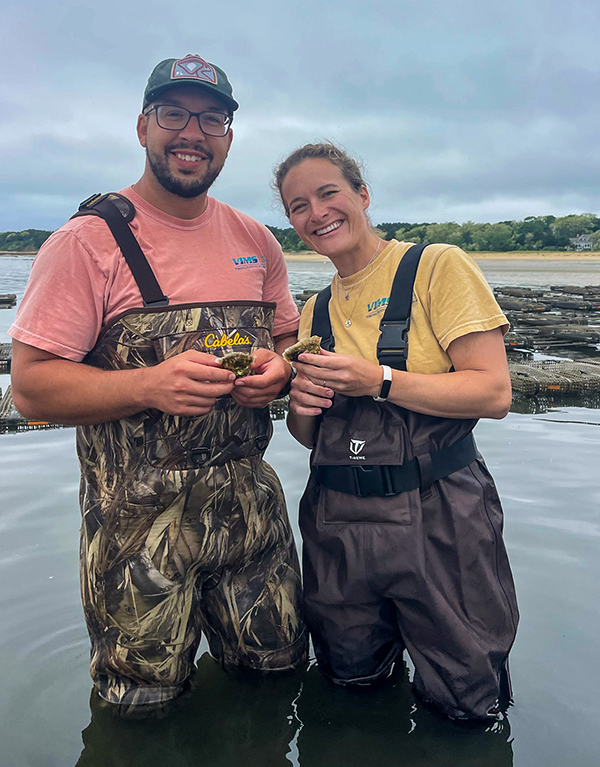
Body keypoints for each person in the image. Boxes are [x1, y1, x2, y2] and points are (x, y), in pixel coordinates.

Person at [9, 54, 307, 716]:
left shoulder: (256, 239)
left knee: (277, 677)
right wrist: (150, 385)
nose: (192, 133)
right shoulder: (87, 242)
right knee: (140, 708)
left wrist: (280, 370)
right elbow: (29, 388)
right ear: (143, 126)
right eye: (174, 114)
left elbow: (287, 338)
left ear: (229, 135)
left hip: (251, 508)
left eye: (212, 118)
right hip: (134, 527)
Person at [273, 142, 519, 722]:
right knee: (349, 684)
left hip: (441, 518)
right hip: (338, 525)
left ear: (362, 194)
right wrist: (302, 404)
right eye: (298, 205)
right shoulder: (315, 311)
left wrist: (380, 379)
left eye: (328, 193)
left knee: (466, 702)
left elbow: (494, 392)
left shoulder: (438, 266)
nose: (317, 213)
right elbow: (310, 437)